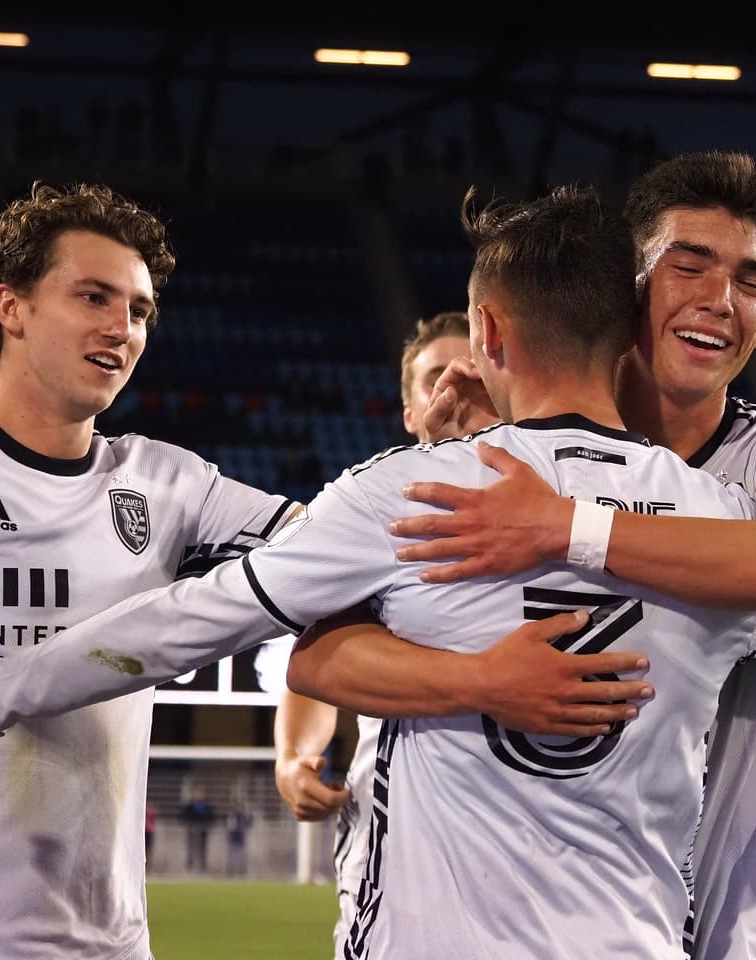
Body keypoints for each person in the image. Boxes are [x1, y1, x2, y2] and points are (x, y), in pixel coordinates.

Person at [0, 182, 756, 958]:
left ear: (490, 335)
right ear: (623, 324)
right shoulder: (718, 529)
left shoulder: (413, 493)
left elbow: (191, 620)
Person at [385, 150, 756, 959]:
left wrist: (565, 527)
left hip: (741, 928)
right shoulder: (517, 461)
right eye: (690, 265)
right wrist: (470, 452)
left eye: (751, 282)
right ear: (629, 282)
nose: (720, 301)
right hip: (562, 918)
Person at [0, 181, 308, 960]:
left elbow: (329, 550)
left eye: (138, 310)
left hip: (113, 944)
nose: (121, 328)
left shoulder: (169, 486)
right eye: (93, 296)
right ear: (11, 307)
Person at [269, 309, 471, 956]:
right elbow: (319, 649)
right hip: (401, 860)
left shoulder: (561, 506)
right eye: (436, 376)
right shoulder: (377, 515)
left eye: (473, 372)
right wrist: (296, 756)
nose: (456, 388)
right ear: (410, 411)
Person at [181, 788, 215, 872]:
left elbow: (212, 817)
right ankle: (190, 865)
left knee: (202, 848)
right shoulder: (190, 806)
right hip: (192, 829)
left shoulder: (206, 806)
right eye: (197, 794)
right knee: (191, 847)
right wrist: (189, 823)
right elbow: (183, 816)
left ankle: (203, 865)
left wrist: (207, 824)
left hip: (203, 830)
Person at [225, 802, 254, 876]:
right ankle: (231, 871)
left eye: (240, 807)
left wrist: (250, 817)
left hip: (241, 839)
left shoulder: (244, 816)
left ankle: (242, 871)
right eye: (237, 807)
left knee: (242, 856)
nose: (239, 809)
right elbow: (230, 826)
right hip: (233, 838)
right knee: (231, 856)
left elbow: (249, 825)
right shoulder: (232, 816)